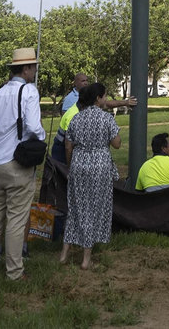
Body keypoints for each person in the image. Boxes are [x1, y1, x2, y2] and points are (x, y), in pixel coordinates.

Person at [0, 47, 45, 281]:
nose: (35, 70)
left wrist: (2, 136)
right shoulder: (29, 91)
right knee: (17, 219)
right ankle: (14, 272)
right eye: (34, 66)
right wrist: (41, 136)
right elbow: (34, 126)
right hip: (18, 165)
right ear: (26, 68)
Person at [59, 82, 120, 268]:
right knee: (94, 209)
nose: (106, 99)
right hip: (100, 166)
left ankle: (64, 254)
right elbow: (117, 144)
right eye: (105, 96)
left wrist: (71, 166)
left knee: (75, 206)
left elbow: (68, 146)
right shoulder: (106, 119)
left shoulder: (76, 118)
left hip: (78, 164)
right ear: (97, 98)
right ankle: (86, 259)